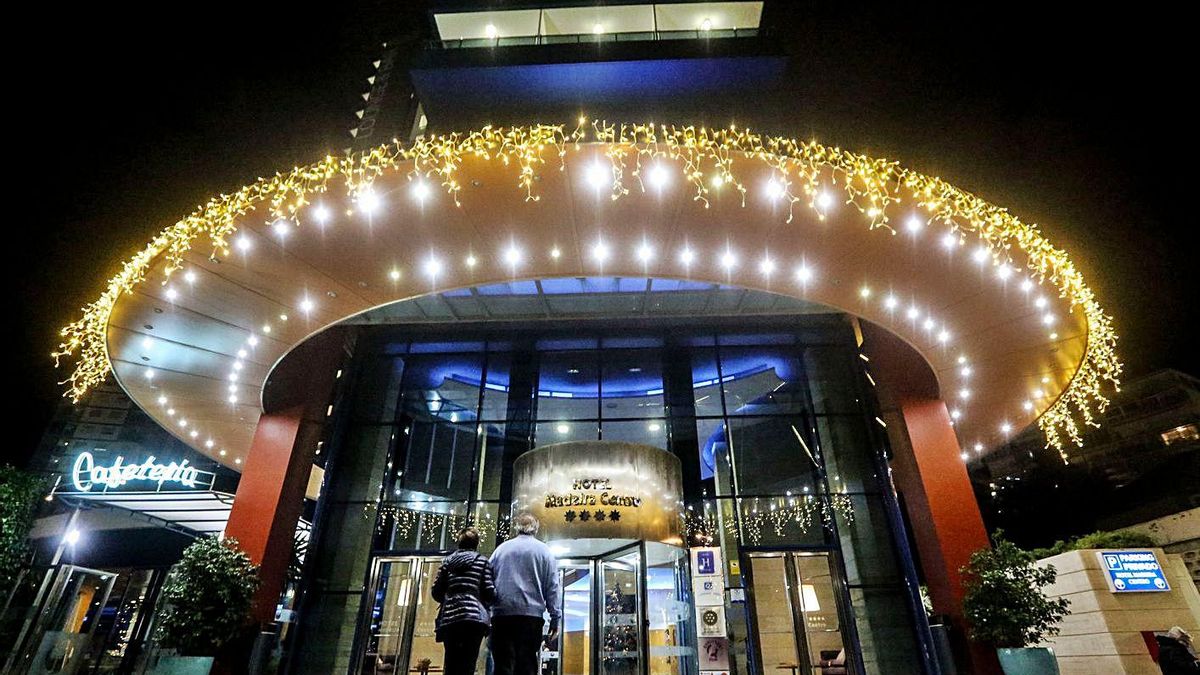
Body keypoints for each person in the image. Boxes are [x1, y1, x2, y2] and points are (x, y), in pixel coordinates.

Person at [488, 513, 561, 675]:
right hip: (531, 618)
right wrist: (555, 617)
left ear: (517, 527)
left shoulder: (501, 550)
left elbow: (488, 580)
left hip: (502, 615)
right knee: (527, 663)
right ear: (536, 528)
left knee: (502, 664)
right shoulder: (545, 552)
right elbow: (552, 587)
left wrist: (489, 609)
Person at [432, 527, 497, 675]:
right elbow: (489, 592)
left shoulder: (447, 562)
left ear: (459, 542)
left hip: (450, 618)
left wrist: (450, 598)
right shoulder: (482, 562)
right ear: (476, 543)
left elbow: (436, 592)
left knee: (451, 662)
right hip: (473, 618)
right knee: (468, 661)